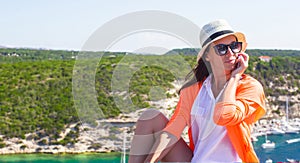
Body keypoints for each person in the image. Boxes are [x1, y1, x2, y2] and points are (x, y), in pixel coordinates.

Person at [129, 19, 266, 163]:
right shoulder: (193, 90)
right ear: (207, 56)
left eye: (234, 46)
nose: (230, 53)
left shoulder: (249, 87)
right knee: (150, 117)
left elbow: (225, 115)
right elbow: (172, 131)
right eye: (221, 48)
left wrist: (235, 77)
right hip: (197, 160)